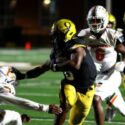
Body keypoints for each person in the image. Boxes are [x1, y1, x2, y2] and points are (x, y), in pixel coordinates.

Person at [14, 19, 97, 125]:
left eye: (58, 34)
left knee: (76, 121)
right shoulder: (57, 50)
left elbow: (75, 65)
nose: (55, 37)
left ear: (67, 33)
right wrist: (23, 75)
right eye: (55, 34)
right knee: (65, 105)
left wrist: (55, 67)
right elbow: (43, 68)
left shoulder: (77, 46)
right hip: (70, 83)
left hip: (87, 88)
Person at [77, 5, 125, 125]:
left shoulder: (112, 35)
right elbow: (73, 50)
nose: (94, 24)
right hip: (94, 76)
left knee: (96, 98)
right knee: (122, 108)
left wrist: (123, 63)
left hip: (111, 74)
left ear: (105, 20)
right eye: (92, 21)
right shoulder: (84, 34)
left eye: (97, 21)